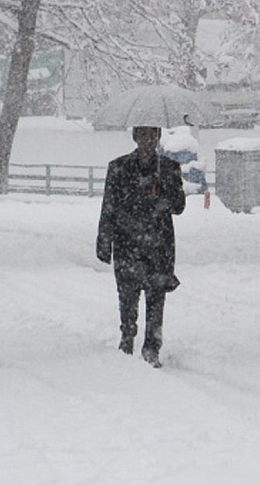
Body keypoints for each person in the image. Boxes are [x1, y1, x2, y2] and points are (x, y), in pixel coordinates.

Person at [96, 126, 186, 367]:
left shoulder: (168, 168)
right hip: (127, 241)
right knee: (127, 295)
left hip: (159, 244)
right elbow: (109, 206)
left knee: (156, 297)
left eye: (153, 135)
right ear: (135, 137)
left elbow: (178, 206)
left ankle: (152, 346)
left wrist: (163, 188)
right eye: (143, 135)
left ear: (158, 137)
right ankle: (127, 338)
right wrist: (104, 241)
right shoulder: (119, 167)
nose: (149, 140)